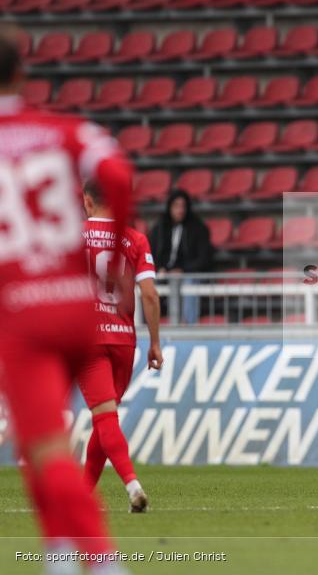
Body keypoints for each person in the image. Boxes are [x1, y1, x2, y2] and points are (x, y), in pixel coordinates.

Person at [0, 26, 129, 572]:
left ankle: (102, 561)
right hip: (79, 308)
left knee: (46, 448)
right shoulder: (65, 130)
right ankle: (58, 554)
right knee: (37, 438)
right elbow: (117, 173)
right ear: (21, 73)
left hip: (23, 314)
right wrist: (115, 251)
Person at [81, 178, 163, 513]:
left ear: (87, 201)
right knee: (106, 419)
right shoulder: (134, 238)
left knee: (104, 418)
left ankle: (133, 486)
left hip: (87, 339)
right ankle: (83, 496)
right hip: (123, 341)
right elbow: (150, 295)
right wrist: (155, 343)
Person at [148, 189, 213, 324]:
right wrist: (160, 268)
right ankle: (145, 324)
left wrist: (183, 270)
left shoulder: (199, 228)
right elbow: (150, 254)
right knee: (146, 283)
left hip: (189, 274)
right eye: (176, 206)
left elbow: (203, 259)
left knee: (189, 283)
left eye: (183, 206)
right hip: (164, 274)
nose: (180, 210)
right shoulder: (159, 228)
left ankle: (187, 326)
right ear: (170, 207)